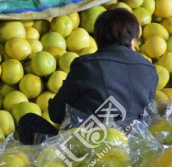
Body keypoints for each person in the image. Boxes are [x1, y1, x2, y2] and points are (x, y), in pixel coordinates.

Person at [17, 8, 158, 145]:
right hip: (132, 152)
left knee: (28, 122)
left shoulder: (86, 66)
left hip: (86, 153)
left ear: (97, 39)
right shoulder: (150, 70)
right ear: (133, 40)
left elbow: (57, 114)